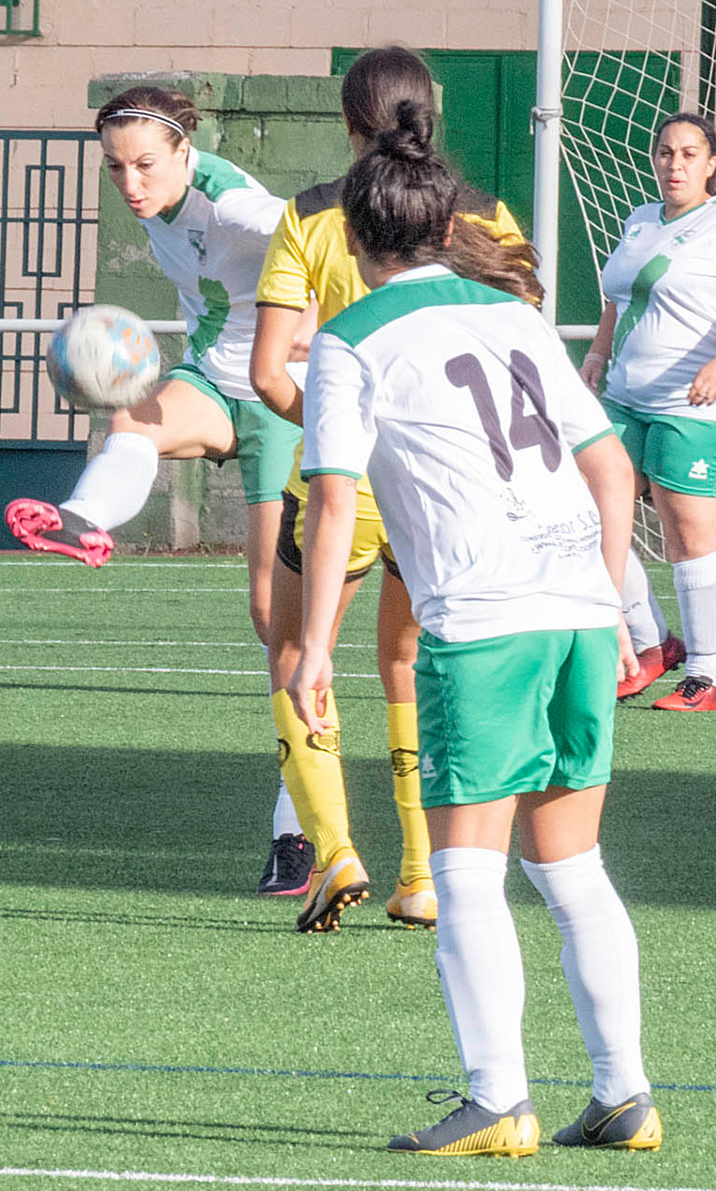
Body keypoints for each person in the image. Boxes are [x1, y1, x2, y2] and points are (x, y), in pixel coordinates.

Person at [286, 101, 660, 1157]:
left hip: (483, 622)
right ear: (448, 229)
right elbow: (610, 467)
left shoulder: (349, 336)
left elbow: (329, 499)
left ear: (353, 243)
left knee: (464, 873)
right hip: (579, 612)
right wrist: (618, 601)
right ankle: (624, 1091)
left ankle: (498, 1096)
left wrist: (314, 646)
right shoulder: (515, 316)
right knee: (573, 867)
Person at [2, 86, 315, 893]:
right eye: (116, 168)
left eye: (145, 164)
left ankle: (299, 828)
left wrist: (319, 315)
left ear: (184, 151)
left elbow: (321, 240)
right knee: (132, 421)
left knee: (271, 620)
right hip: (214, 381)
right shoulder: (155, 206)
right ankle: (85, 518)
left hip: (287, 403)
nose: (130, 183)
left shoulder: (234, 205)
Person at [249, 46, 532, 933]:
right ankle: (422, 876)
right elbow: (517, 333)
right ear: (429, 115)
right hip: (437, 481)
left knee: (298, 654)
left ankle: (333, 848)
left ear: (346, 121)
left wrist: (335, 425)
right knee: (409, 665)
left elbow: (266, 374)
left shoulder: (307, 217)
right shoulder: (483, 215)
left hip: (342, 480)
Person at [579, 112, 716, 711]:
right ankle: (649, 643)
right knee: (586, 515)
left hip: (696, 405)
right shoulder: (641, 220)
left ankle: (704, 676)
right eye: (666, 152)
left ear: (711, 164)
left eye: (690, 154)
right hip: (625, 396)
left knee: (688, 535)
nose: (675, 164)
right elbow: (619, 298)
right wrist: (596, 351)